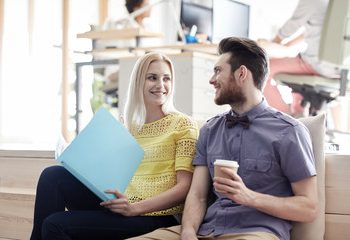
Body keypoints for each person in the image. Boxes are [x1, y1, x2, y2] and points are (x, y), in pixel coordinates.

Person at [127, 37, 318, 240]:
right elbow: (198, 195)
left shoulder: (289, 131)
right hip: (206, 230)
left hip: (255, 231)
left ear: (241, 73)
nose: (211, 80)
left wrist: (249, 197)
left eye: (218, 71)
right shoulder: (211, 129)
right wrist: (188, 231)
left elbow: (308, 207)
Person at [30, 52, 198, 240]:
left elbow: (185, 187)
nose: (161, 85)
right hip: (122, 204)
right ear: (138, 82)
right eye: (152, 78)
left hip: (158, 216)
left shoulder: (183, 124)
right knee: (52, 176)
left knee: (54, 224)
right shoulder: (132, 128)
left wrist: (134, 208)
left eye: (166, 78)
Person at [261, 0, 340, 116]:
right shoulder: (335, 4)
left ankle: (284, 117)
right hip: (338, 71)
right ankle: (299, 115)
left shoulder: (312, 2)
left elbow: (290, 27)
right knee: (296, 71)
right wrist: (287, 45)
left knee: (261, 68)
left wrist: (272, 43)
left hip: (316, 66)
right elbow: (315, 29)